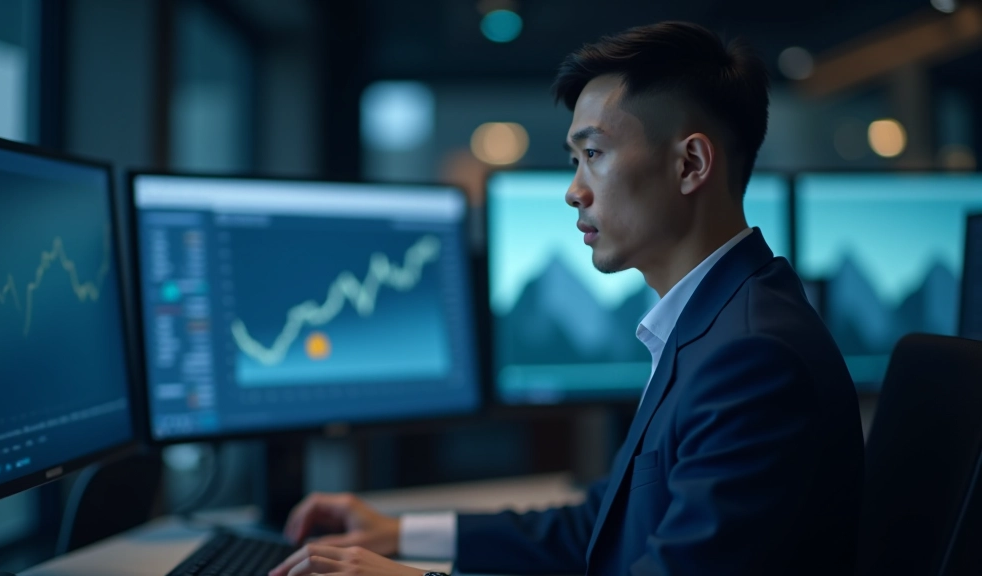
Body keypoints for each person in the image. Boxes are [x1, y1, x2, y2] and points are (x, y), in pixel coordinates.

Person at [269, 21, 864, 576]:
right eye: (575, 161)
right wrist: (401, 533)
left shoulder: (753, 358)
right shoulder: (716, 322)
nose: (573, 192)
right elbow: (600, 525)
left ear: (690, 164)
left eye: (594, 155)